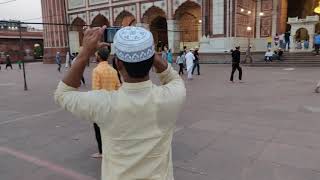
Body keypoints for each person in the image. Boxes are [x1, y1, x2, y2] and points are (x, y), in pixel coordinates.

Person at [54, 26, 186, 180]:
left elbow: (63, 93)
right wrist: (147, 52)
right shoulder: (172, 96)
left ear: (118, 63)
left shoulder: (104, 104)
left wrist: (84, 54)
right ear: (151, 61)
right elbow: (172, 77)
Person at [91, 47, 121, 159]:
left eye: (96, 54)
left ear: (98, 56)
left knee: (99, 130)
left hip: (101, 106)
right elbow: (119, 87)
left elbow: (96, 91)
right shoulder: (113, 71)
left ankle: (102, 152)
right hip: (112, 104)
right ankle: (113, 148)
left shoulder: (96, 71)